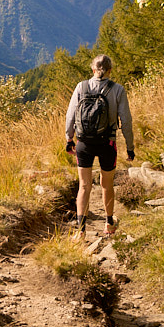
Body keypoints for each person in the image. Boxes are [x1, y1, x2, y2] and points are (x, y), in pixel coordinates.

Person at [64, 54, 134, 238]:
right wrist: (130, 146)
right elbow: (126, 120)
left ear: (93, 70)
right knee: (106, 184)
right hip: (107, 143)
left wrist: (69, 139)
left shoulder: (81, 86)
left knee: (84, 186)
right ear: (110, 71)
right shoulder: (118, 89)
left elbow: (70, 115)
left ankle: (80, 231)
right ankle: (109, 223)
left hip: (84, 143)